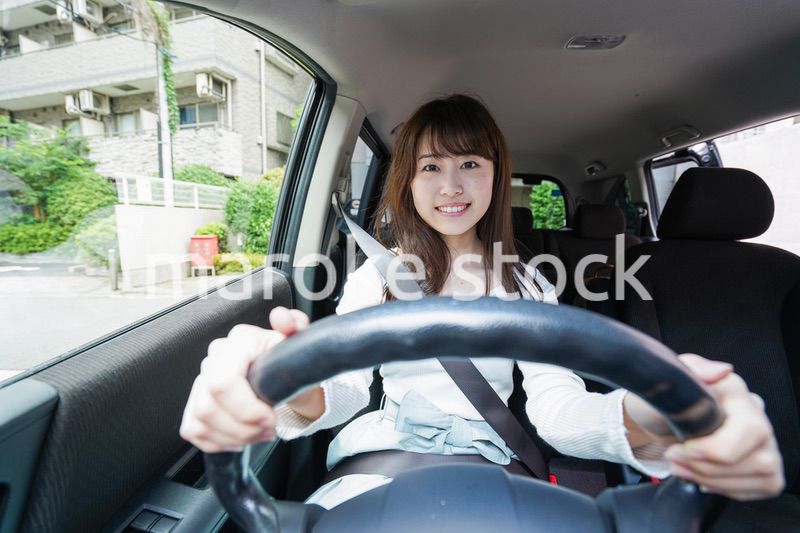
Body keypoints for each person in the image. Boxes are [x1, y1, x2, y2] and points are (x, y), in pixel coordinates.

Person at [180, 94, 784, 509]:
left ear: (497, 175)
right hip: (375, 465)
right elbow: (344, 391)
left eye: (470, 163)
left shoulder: (529, 284)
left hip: (492, 464)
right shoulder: (377, 278)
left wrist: (644, 417)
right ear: (408, 182)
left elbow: (557, 409)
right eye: (430, 167)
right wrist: (292, 383)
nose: (451, 186)